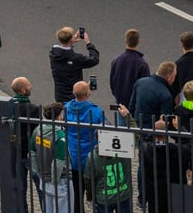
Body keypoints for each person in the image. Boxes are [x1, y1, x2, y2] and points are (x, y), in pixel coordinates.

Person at [64, 81, 106, 213]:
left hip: (74, 159)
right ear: (88, 93)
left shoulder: (66, 109)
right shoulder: (96, 111)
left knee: (77, 192)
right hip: (91, 160)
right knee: (97, 191)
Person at [83, 107, 134, 213]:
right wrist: (128, 118)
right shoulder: (124, 148)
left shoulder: (92, 157)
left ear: (97, 138)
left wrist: (90, 197)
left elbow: (89, 180)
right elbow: (137, 136)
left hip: (104, 197)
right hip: (123, 194)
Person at [31, 102, 73, 213]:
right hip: (60, 181)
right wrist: (54, 182)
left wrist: (40, 174)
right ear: (59, 116)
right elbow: (58, 163)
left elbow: (32, 154)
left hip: (44, 181)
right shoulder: (60, 137)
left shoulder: (37, 131)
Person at [10, 76, 44, 211]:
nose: (31, 87)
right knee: (41, 187)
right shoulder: (32, 109)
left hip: (15, 152)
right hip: (30, 153)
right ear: (23, 90)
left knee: (19, 189)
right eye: (29, 85)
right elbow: (38, 131)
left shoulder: (9, 105)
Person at [140, 118, 183, 213]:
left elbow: (145, 140)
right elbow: (188, 144)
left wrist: (155, 129)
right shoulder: (175, 149)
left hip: (153, 190)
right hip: (171, 189)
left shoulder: (146, 149)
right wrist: (177, 129)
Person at [109, 29, 150, 126]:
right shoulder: (142, 64)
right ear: (138, 42)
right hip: (136, 109)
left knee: (123, 136)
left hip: (121, 105)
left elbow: (112, 83)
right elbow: (145, 88)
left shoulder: (116, 61)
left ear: (125, 41)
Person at [49, 26, 99, 103]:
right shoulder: (76, 58)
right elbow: (94, 59)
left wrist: (71, 42)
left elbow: (64, 53)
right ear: (70, 39)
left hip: (60, 97)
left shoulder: (53, 55)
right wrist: (88, 43)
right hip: (75, 97)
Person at [131, 61, 177, 129]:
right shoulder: (166, 95)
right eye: (175, 76)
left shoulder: (140, 82)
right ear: (169, 77)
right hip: (152, 131)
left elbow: (132, 106)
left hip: (137, 126)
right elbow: (165, 120)